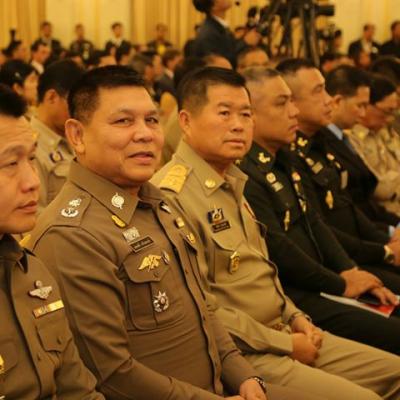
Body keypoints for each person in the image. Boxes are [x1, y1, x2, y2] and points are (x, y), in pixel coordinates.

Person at [28, 65, 304, 400]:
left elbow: (204, 309)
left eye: (152, 120)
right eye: (123, 121)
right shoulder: (72, 234)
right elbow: (112, 374)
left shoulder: (156, 202)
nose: (145, 134)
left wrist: (244, 376)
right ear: (77, 135)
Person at [153, 66, 400, 400]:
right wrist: (287, 342)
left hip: (287, 328)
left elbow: (263, 272)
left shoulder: (232, 180)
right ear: (185, 121)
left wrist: (296, 317)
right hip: (245, 352)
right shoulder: (172, 196)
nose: (238, 125)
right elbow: (202, 310)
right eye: (224, 113)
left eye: (245, 114)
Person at [239, 66, 400, 354]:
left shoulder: (285, 157)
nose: (293, 112)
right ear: (250, 115)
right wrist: (342, 282)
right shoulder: (247, 173)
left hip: (327, 276)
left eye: (292, 101)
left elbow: (315, 222)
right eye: (282, 103)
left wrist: (351, 271)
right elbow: (280, 249)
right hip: (298, 295)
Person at [0, 83, 104, 400]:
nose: (33, 181)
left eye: (31, 158)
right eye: (10, 164)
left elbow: (79, 390)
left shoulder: (31, 271)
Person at [276, 58, 400, 292]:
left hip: (355, 253)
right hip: (335, 266)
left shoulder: (320, 143)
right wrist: (384, 250)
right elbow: (318, 229)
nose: (328, 100)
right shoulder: (290, 155)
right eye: (318, 91)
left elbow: (347, 207)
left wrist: (386, 241)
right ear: (292, 102)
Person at [324, 65, 400, 228]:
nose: (363, 113)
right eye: (360, 106)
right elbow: (373, 190)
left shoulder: (343, 137)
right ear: (337, 101)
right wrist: (387, 233)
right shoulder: (331, 140)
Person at [31, 60, 84, 212]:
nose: (79, 113)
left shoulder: (74, 136)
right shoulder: (32, 147)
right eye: (74, 105)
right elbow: (35, 216)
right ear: (52, 97)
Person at [347, 74, 400, 217]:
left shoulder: (383, 131)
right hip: (383, 215)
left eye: (393, 111)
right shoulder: (351, 138)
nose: (390, 118)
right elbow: (377, 188)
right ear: (367, 106)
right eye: (387, 111)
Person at [192, 0, 259, 67]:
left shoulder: (218, 26)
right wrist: (245, 43)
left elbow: (227, 49)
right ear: (213, 6)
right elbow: (221, 63)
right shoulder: (208, 33)